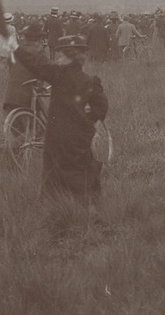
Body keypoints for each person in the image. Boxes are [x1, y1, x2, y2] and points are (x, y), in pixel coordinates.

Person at [14, 34, 110, 202]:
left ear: (69, 57)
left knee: (53, 175)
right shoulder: (90, 81)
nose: (57, 59)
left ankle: (57, 212)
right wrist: (87, 120)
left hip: (58, 137)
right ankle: (86, 209)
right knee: (80, 173)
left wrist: (15, 48)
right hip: (80, 138)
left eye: (60, 56)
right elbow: (101, 107)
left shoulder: (58, 75)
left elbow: (36, 64)